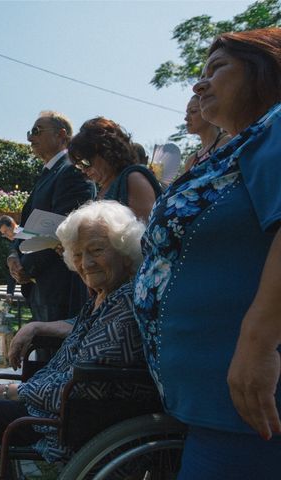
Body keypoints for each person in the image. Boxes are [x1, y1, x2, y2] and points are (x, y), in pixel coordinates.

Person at [134, 28, 281, 479]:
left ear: (265, 70)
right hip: (211, 402)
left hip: (243, 405)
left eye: (217, 69)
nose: (198, 84)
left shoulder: (276, 127)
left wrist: (258, 344)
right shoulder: (240, 144)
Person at [0, 201, 147, 480]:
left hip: (67, 420)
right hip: (55, 405)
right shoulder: (103, 296)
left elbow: (88, 386)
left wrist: (17, 391)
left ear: (125, 252)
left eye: (97, 250)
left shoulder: (125, 303)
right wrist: (37, 332)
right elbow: (78, 334)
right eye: (78, 253)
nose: (86, 263)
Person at [7, 111, 95, 325]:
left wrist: (27, 267)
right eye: (30, 132)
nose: (30, 137)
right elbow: (27, 226)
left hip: (59, 288)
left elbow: (60, 229)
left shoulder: (72, 171)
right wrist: (13, 255)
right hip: (41, 286)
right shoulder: (49, 173)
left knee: (55, 352)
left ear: (61, 135)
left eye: (37, 131)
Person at [69, 117, 161, 223]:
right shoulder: (102, 188)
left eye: (85, 162)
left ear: (105, 151)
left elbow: (145, 231)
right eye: (79, 166)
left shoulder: (134, 178)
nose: (83, 170)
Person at [182, 94, 231, 173]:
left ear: (209, 112)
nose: (186, 118)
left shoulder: (227, 142)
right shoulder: (190, 161)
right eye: (187, 113)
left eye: (193, 111)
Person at [0, 215, 19, 297]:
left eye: (6, 232)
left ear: (13, 224)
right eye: (3, 234)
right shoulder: (13, 244)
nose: (6, 236)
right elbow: (12, 269)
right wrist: (9, 293)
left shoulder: (27, 235)